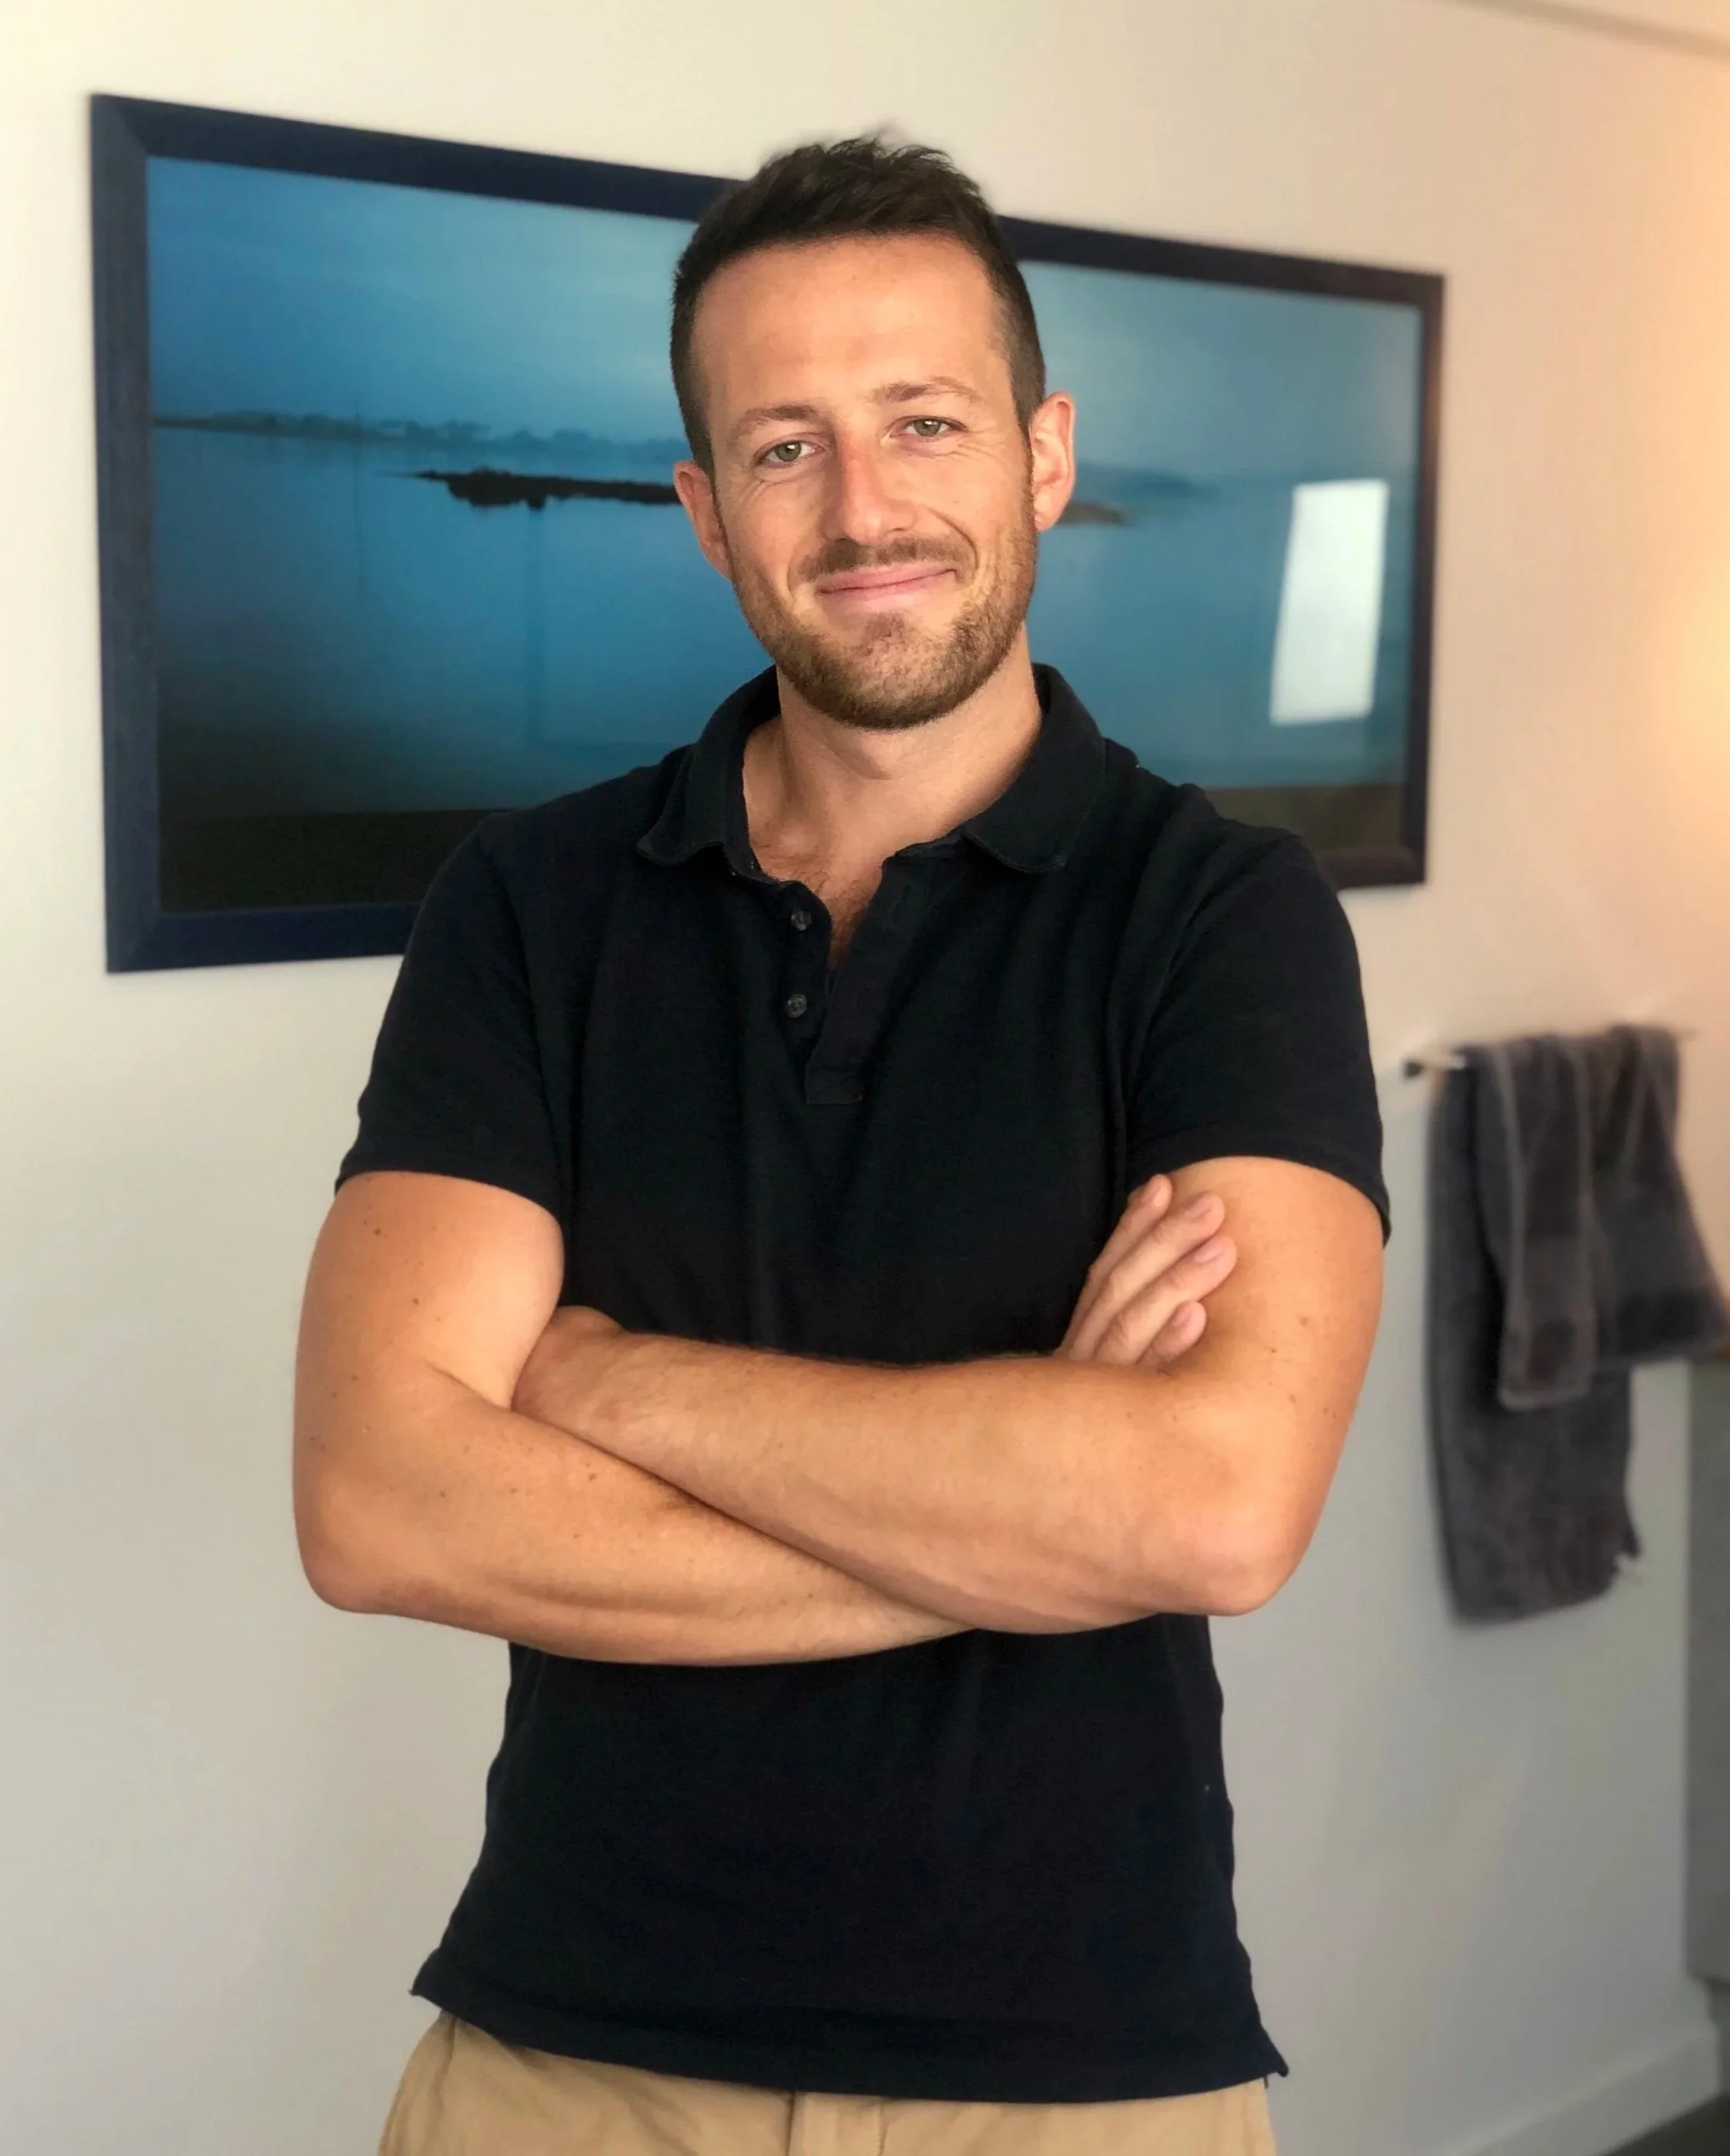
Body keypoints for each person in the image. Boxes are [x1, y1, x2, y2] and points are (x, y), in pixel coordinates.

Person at [294, 135, 1388, 2156]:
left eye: (922, 422)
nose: (865, 506)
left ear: (1042, 456)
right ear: (705, 516)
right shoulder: (533, 907)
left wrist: (604, 1381)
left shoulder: (1217, 918)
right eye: (784, 447)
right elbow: (381, 1504)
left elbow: (1213, 1511)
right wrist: (1030, 1500)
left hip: (1076, 2078)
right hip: (569, 2058)